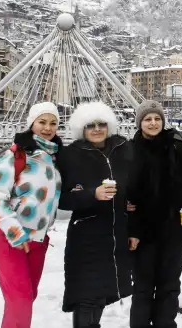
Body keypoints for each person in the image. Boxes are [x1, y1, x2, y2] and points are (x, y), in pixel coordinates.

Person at [128, 100, 182, 328]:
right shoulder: (129, 151)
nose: (153, 123)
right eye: (148, 119)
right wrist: (124, 205)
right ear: (140, 123)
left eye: (157, 118)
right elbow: (121, 188)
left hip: (174, 231)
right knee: (142, 288)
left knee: (169, 286)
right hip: (142, 233)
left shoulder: (176, 147)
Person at [58, 102, 134, 328]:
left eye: (102, 124)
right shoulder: (70, 156)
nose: (97, 129)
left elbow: (136, 184)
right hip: (86, 236)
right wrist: (93, 195)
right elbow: (61, 199)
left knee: (103, 293)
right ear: (82, 128)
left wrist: (128, 202)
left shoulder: (123, 149)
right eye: (91, 125)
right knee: (85, 295)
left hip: (115, 233)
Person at [0, 102, 63, 328]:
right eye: (42, 122)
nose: (48, 128)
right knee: (20, 300)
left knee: (25, 299)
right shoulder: (16, 155)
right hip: (12, 238)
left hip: (38, 240)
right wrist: (16, 233)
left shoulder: (55, 158)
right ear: (32, 124)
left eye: (53, 123)